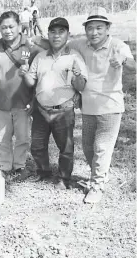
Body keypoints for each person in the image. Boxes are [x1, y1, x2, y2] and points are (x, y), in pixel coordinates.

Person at [65, 7, 136, 203]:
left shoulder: (118, 46)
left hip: (110, 107)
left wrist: (122, 60)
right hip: (88, 107)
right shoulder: (81, 44)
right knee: (88, 148)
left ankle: (96, 186)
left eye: (99, 28)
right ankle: (101, 174)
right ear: (85, 30)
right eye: (90, 28)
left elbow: (133, 67)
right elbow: (61, 42)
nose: (94, 32)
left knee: (102, 147)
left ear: (107, 29)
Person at [23, 17, 88, 188]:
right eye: (53, 32)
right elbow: (31, 81)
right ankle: (43, 172)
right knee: (37, 145)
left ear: (68, 34)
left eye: (61, 32)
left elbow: (81, 86)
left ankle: (63, 178)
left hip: (64, 110)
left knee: (65, 148)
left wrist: (78, 75)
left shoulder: (75, 57)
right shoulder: (41, 57)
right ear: (48, 34)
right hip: (40, 109)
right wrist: (25, 74)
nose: (56, 36)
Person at [0, 11, 43, 179]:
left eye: (11, 26)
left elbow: (40, 72)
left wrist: (34, 100)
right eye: (3, 27)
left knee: (22, 137)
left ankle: (19, 166)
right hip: (2, 102)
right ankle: (5, 166)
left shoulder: (30, 47)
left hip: (23, 102)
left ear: (20, 26)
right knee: (3, 137)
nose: (8, 31)